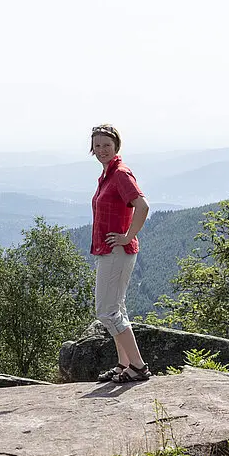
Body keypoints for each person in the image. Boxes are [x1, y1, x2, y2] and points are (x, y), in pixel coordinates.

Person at [89, 124, 152, 383]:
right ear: (92, 148)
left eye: (107, 145)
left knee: (107, 311)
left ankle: (138, 366)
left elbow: (143, 205)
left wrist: (128, 235)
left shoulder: (121, 174)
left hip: (118, 250)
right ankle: (123, 365)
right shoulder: (107, 175)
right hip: (110, 250)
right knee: (117, 309)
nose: (102, 149)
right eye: (97, 145)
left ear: (116, 147)